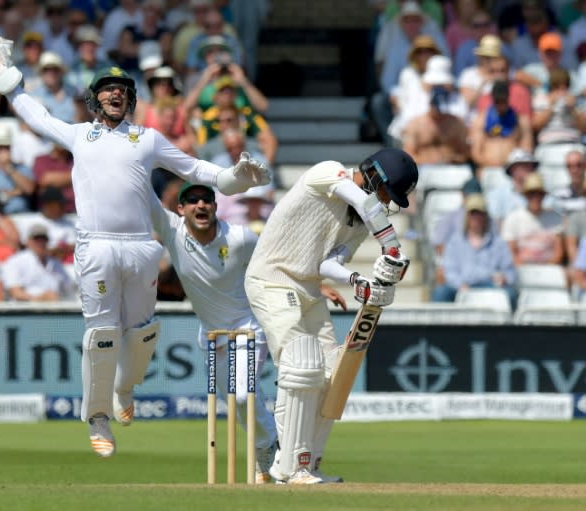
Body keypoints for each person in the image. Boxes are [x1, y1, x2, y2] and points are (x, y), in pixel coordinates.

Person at [0, 37, 269, 458]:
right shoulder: (80, 135)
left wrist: (235, 178)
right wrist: (11, 86)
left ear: (131, 100)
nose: (116, 94)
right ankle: (97, 418)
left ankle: (124, 389)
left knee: (143, 332)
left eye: (123, 91)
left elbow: (194, 168)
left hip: (140, 246)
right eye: (107, 90)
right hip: (95, 246)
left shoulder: (147, 139)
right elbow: (38, 117)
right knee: (101, 335)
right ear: (95, 100)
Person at [244, 148, 418, 484]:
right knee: (300, 366)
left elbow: (328, 265)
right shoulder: (327, 172)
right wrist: (393, 247)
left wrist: (359, 281)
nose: (385, 201)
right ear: (373, 176)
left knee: (330, 375)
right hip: (271, 279)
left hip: (309, 288)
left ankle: (307, 463)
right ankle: (288, 468)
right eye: (385, 191)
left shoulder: (359, 223)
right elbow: (366, 204)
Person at [149, 181, 279, 483]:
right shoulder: (172, 231)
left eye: (206, 199)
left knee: (245, 396)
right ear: (180, 210)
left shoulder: (240, 238)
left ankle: (268, 448)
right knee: (234, 401)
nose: (200, 205)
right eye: (192, 201)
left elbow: (273, 266)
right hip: (211, 334)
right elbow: (144, 196)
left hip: (248, 326)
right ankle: (269, 444)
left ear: (216, 206)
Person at [431, 193, 517, 304]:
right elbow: (449, 271)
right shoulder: (455, 242)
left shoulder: (498, 243)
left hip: (490, 285)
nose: (476, 217)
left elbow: (510, 271)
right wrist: (460, 285)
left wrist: (504, 278)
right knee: (440, 293)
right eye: (473, 213)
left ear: (485, 216)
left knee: (510, 295)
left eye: (480, 213)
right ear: (467, 216)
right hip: (462, 285)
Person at [1, 223, 75, 302]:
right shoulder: (15, 261)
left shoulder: (55, 263)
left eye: (43, 239)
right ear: (28, 241)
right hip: (25, 310)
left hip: (55, 309)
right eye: (36, 239)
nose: (41, 242)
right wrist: (40, 298)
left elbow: (68, 289)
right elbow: (15, 293)